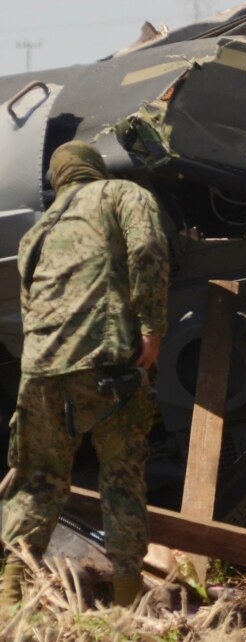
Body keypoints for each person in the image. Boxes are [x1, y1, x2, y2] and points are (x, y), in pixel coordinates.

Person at [0, 142, 169, 609]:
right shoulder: (122, 193)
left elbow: (29, 307)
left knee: (38, 478)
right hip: (109, 364)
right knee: (121, 474)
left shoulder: (34, 234)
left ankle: (10, 599)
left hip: (40, 370)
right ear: (95, 168)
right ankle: (126, 603)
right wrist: (152, 325)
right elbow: (149, 248)